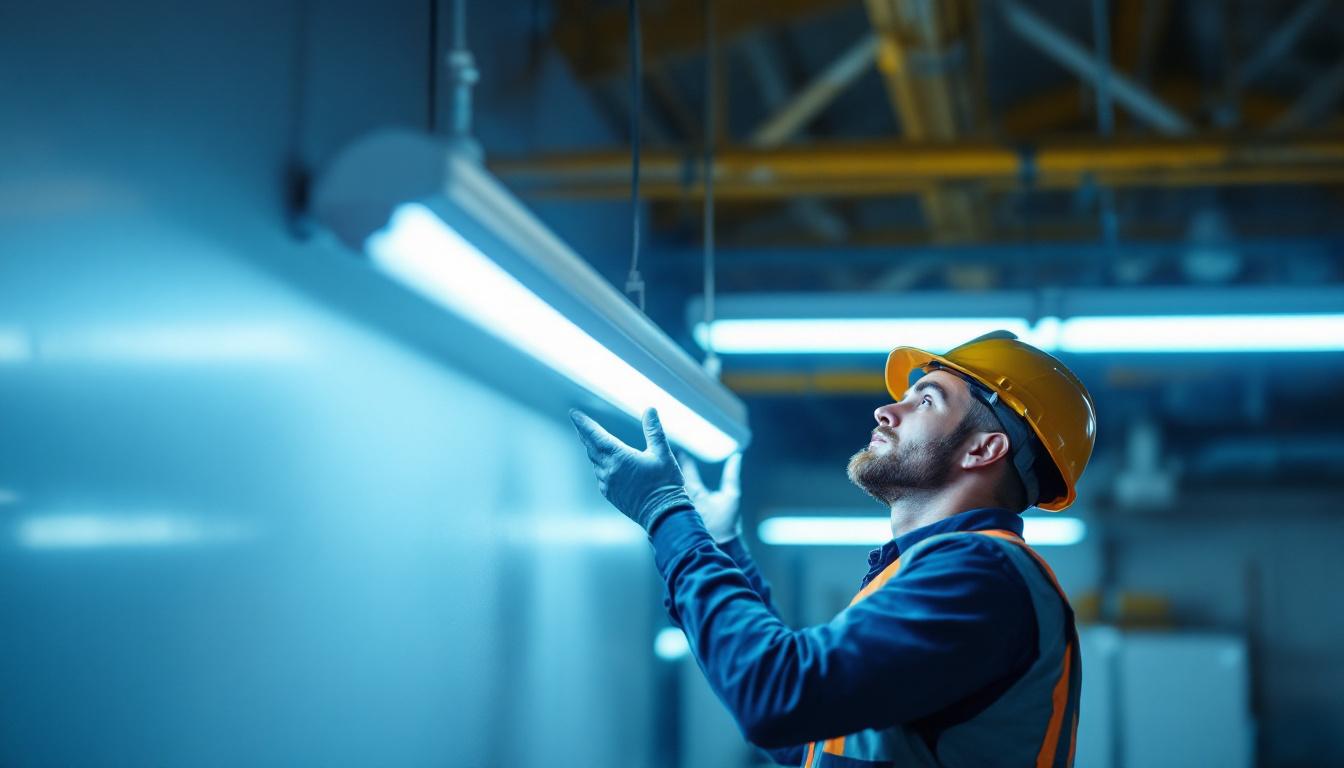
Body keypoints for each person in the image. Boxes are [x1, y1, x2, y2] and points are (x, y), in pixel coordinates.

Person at [570, 331, 1094, 767]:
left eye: (925, 400)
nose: (887, 410)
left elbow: (778, 697)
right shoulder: (937, 570)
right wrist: (721, 546)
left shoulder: (980, 574)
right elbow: (807, 740)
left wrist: (667, 514)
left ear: (984, 448)